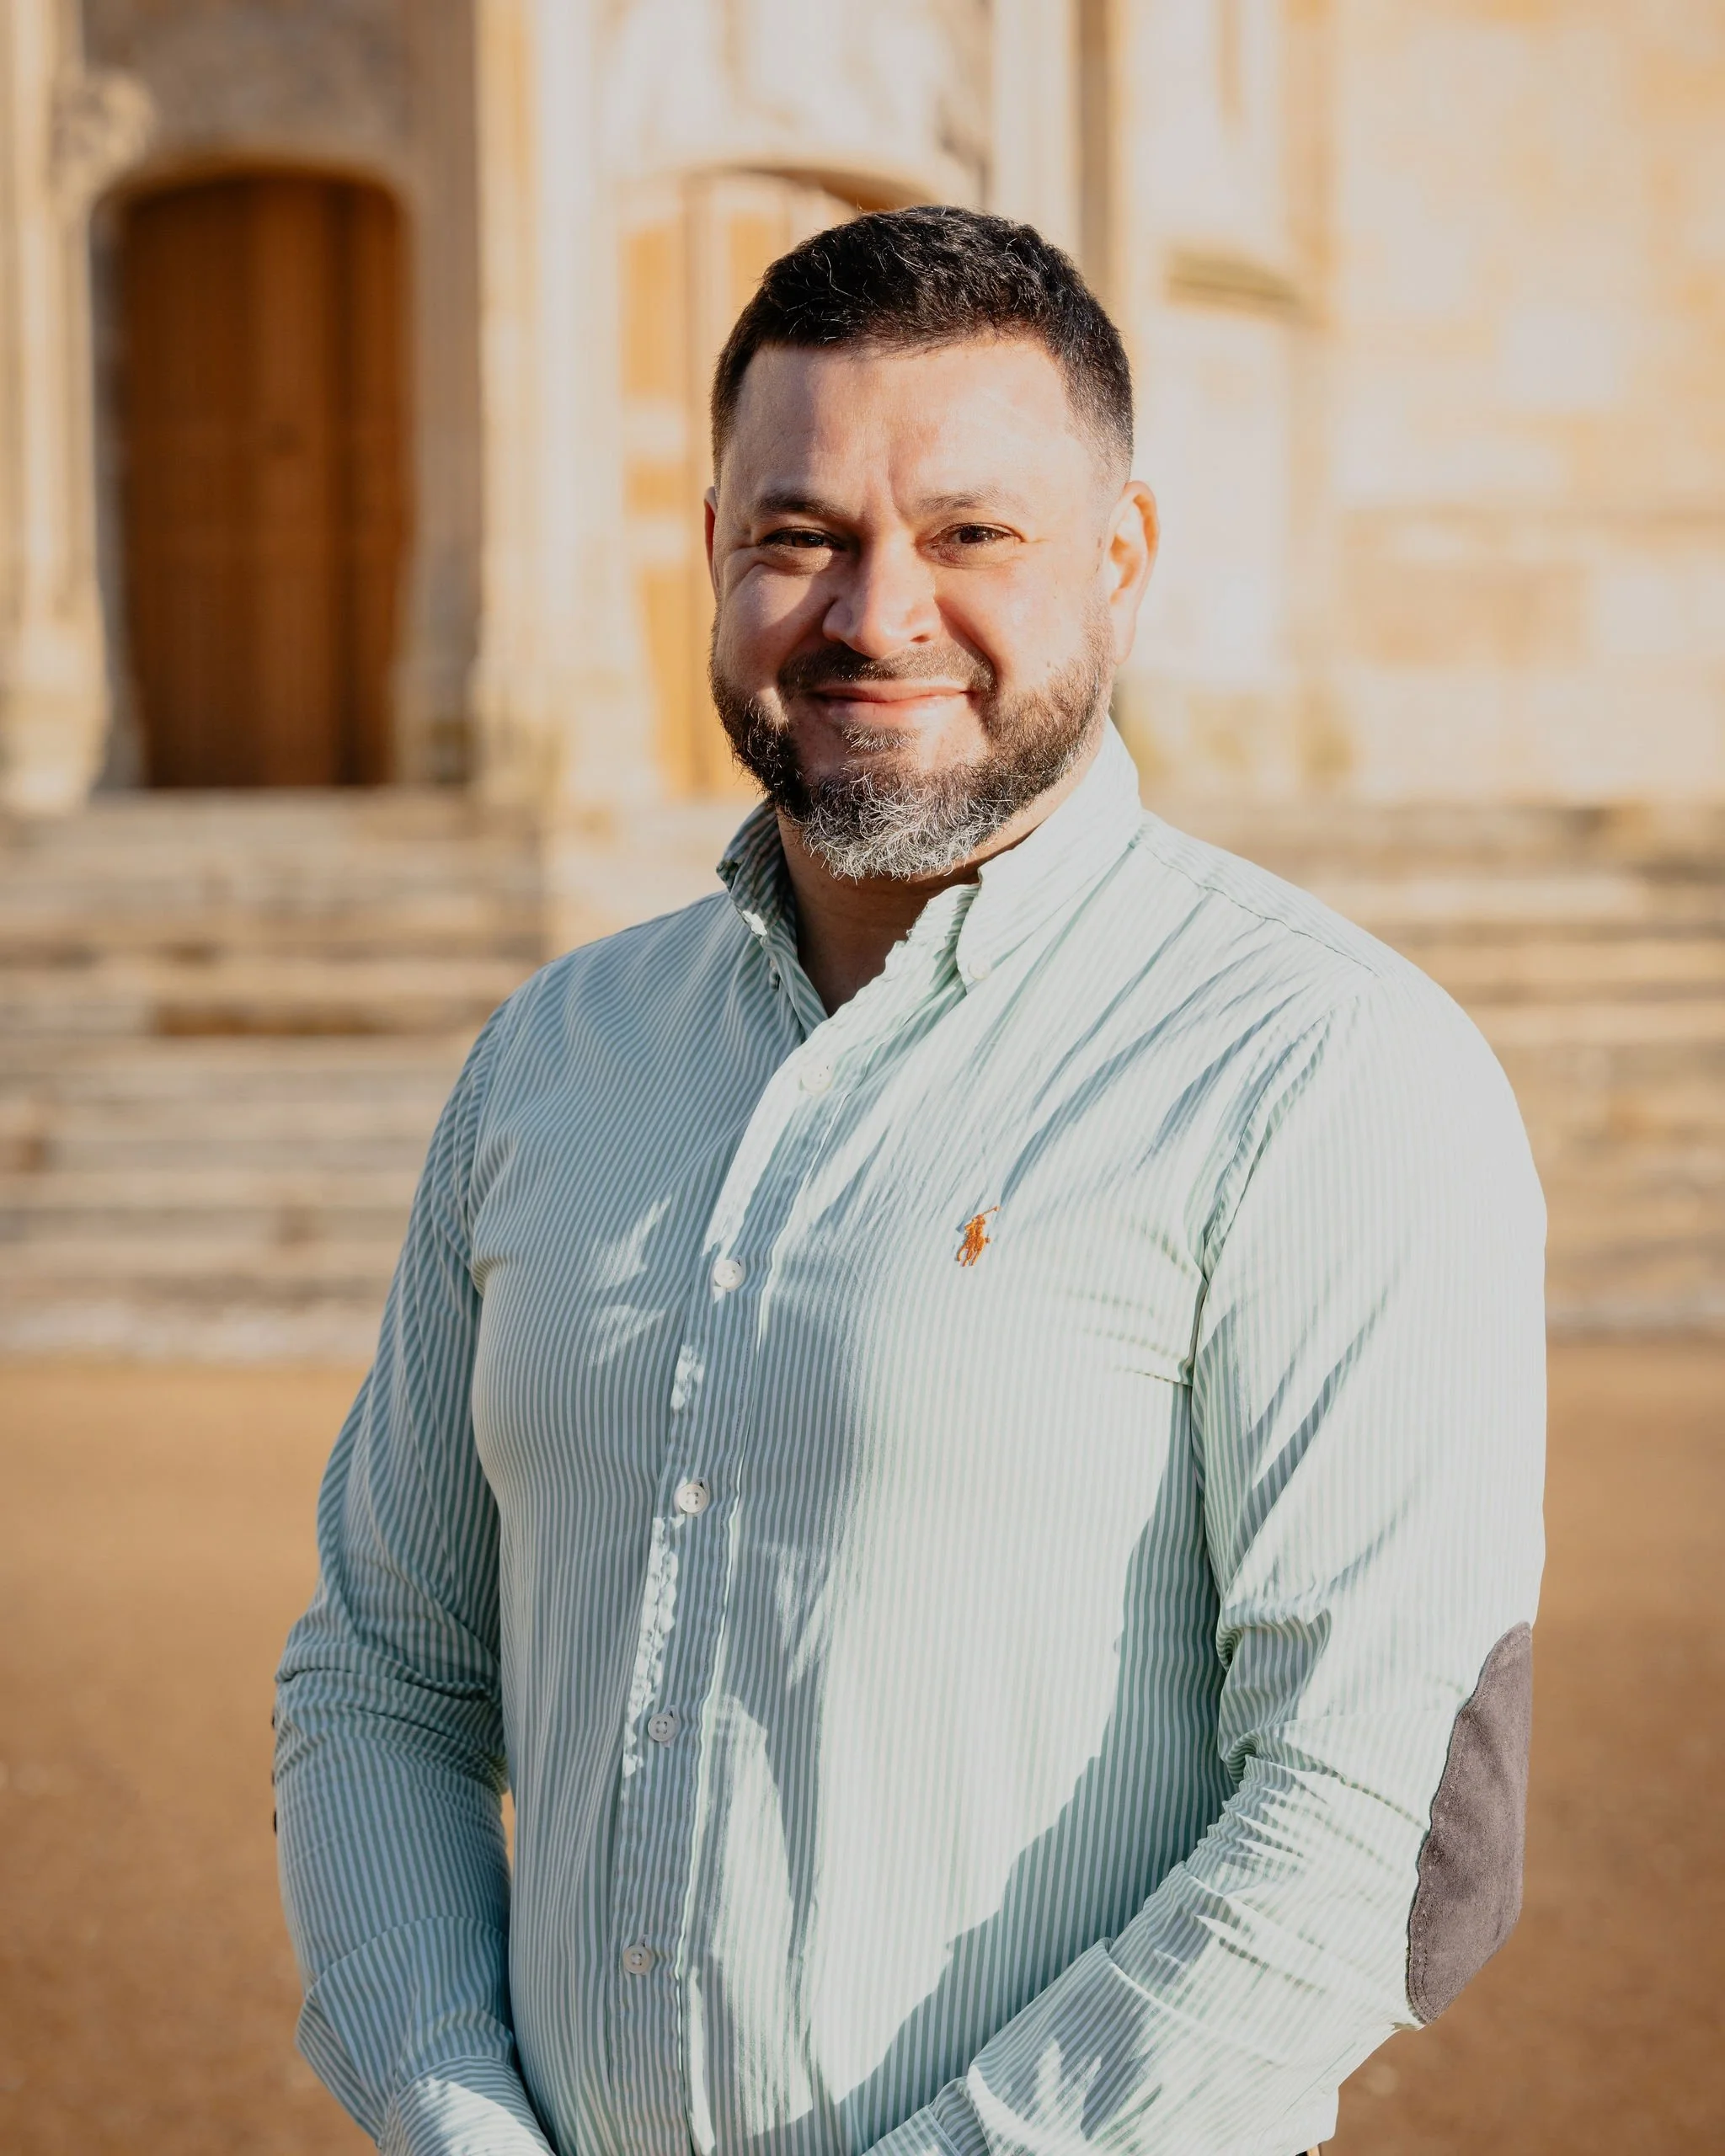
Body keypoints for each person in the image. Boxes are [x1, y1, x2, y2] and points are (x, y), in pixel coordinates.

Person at [275, 207, 1545, 2156]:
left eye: (970, 535)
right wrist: (457, 2119)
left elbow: (1390, 1823)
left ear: (1117, 560)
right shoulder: (555, 1057)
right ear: (713, 554)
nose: (874, 614)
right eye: (800, 535)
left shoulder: (1320, 1069)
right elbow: (382, 1669)